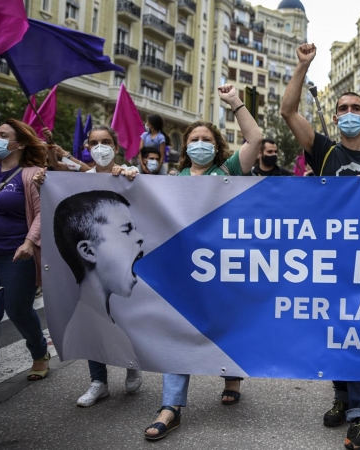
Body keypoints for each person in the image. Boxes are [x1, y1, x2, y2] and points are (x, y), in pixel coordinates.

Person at [281, 42, 360, 450]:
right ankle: (341, 396)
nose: (349, 114)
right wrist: (302, 65)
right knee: (335, 333)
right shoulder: (325, 149)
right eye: (343, 109)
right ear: (335, 117)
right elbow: (288, 111)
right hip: (329, 260)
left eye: (355, 109)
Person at [143, 84, 261, 441]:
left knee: (226, 325)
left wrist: (235, 103)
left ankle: (231, 375)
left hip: (224, 269)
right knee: (178, 333)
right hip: (185, 274)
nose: (200, 143)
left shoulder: (228, 171)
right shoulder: (171, 181)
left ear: (217, 145)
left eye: (206, 138)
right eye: (194, 138)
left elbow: (255, 138)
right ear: (185, 147)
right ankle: (171, 407)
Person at [34, 125, 142, 407]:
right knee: (94, 313)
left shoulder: (127, 174)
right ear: (87, 148)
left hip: (121, 257)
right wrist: (44, 180)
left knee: (124, 313)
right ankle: (98, 381)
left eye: (106, 142)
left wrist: (132, 176)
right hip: (94, 260)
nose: (100, 147)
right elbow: (56, 191)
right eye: (94, 143)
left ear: (116, 148)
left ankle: (132, 364)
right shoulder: (79, 180)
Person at [0, 108, 48, 398]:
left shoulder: (31, 175)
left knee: (17, 310)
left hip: (16, 256)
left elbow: (41, 214)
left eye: (4, 136)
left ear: (20, 144)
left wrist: (29, 242)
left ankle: (40, 352)